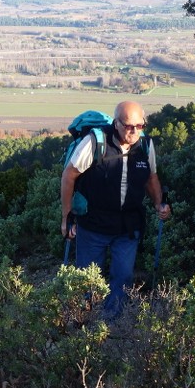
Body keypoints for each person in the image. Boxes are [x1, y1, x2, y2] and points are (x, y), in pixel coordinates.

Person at [61, 100, 171, 319]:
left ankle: (112, 326)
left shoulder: (146, 145)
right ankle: (83, 322)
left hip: (128, 227)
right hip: (93, 225)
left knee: (122, 278)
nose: (134, 131)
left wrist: (159, 204)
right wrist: (67, 217)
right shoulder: (95, 142)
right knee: (87, 279)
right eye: (128, 125)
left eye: (139, 126)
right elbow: (69, 176)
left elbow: (151, 177)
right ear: (116, 122)